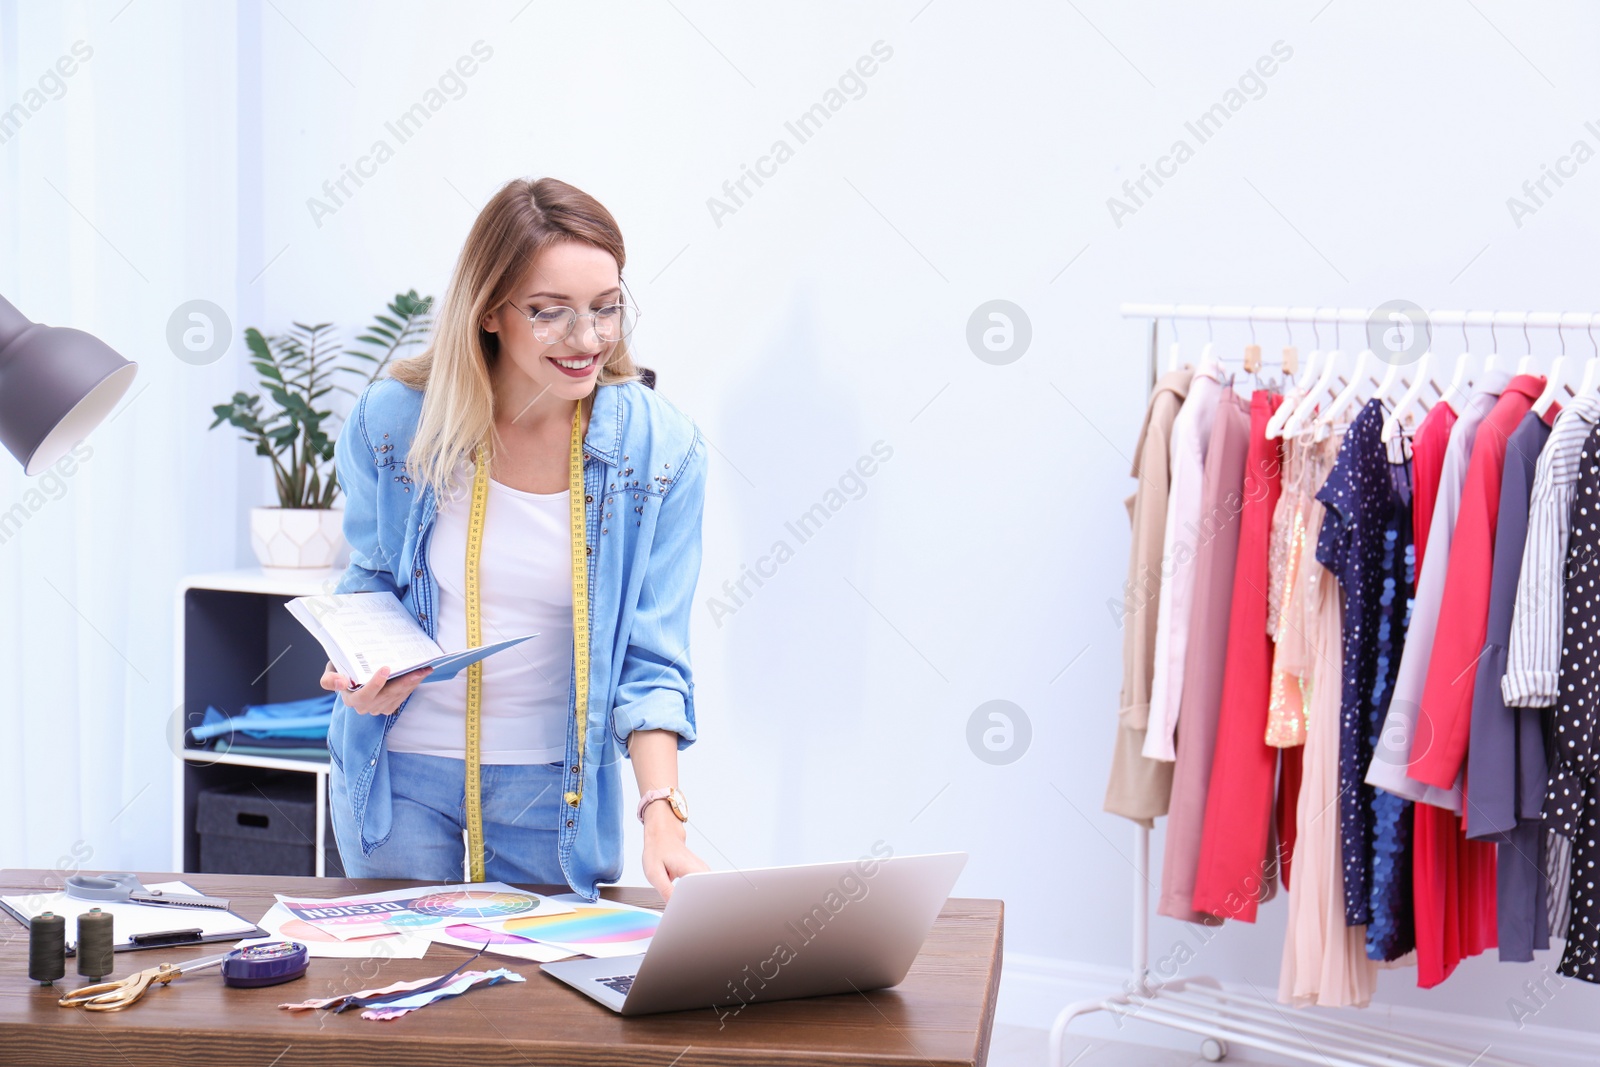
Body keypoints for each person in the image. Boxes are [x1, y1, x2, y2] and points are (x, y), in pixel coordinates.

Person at [322, 176, 709, 902]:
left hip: (551, 786)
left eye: (606, 309)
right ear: (491, 310)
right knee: (400, 998)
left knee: (539, 1001)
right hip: (399, 769)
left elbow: (653, 660)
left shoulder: (659, 451)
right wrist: (357, 668)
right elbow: (371, 582)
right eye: (550, 313)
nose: (587, 340)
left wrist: (663, 813)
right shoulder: (396, 421)